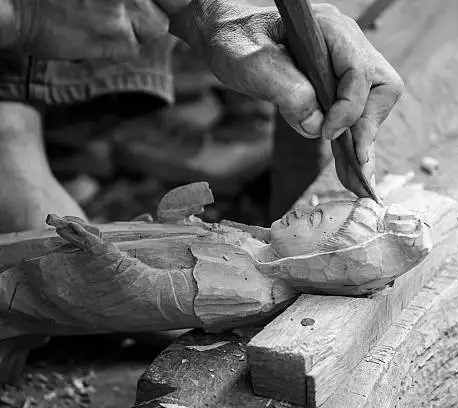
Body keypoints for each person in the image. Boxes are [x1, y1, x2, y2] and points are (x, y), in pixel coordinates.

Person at [0, 0, 403, 382]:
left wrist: (206, 12)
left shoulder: (250, 292)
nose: (305, 211)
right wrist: (22, 15)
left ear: (321, 261)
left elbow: (152, 294)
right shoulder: (254, 249)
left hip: (89, 261)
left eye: (316, 217)